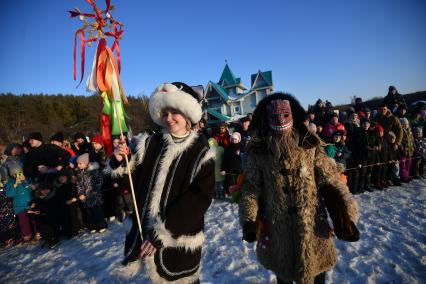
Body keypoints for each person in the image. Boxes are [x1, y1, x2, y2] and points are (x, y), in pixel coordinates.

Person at [239, 93, 359, 284]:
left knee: (317, 275)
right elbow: (252, 188)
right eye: (274, 117)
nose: (280, 120)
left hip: (312, 229)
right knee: (284, 276)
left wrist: (343, 216)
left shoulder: (309, 145)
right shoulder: (258, 152)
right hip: (279, 233)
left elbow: (330, 181)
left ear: (293, 116)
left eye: (285, 115)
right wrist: (250, 220)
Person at [108, 82, 215, 283]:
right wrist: (121, 160)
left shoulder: (202, 154)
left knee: (182, 278)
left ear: (188, 114)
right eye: (165, 113)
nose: (169, 118)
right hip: (144, 231)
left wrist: (162, 233)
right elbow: (130, 180)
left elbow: (198, 201)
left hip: (178, 236)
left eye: (175, 112)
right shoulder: (148, 144)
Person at [75, 153, 107, 233]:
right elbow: (79, 185)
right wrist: (80, 193)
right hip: (84, 197)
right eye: (78, 163)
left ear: (86, 163)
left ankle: (101, 225)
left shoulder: (94, 171)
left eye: (80, 163)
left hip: (94, 196)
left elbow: (99, 182)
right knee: (88, 212)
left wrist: (93, 191)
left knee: (97, 211)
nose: (78, 165)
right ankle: (92, 225)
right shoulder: (79, 172)